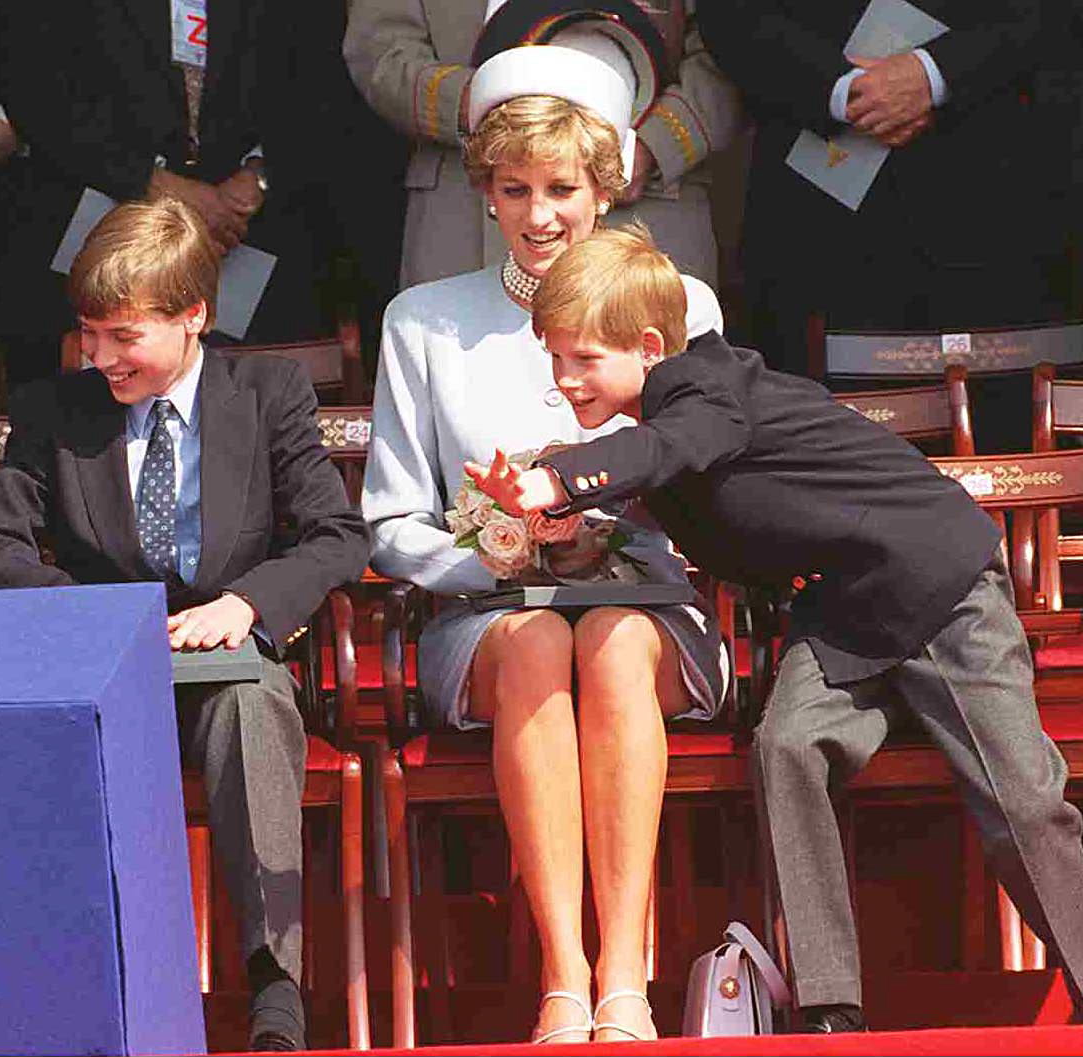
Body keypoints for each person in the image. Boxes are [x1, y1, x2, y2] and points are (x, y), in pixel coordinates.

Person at [470, 226, 1083, 1035]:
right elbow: (657, 483)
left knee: (1018, 793)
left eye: (582, 359)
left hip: (936, 586)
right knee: (787, 746)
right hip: (840, 613)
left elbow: (671, 446)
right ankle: (832, 1007)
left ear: (650, 347)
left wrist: (560, 478)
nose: (563, 380)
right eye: (554, 359)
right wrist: (560, 524)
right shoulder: (658, 426)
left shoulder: (706, 387)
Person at [361, 5, 728, 1043]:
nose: (539, 215)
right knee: (535, 642)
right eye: (512, 190)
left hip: (646, 602)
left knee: (608, 643)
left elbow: (714, 484)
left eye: (562, 189)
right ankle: (563, 977)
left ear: (605, 187)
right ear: (481, 192)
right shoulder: (422, 319)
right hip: (488, 613)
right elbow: (390, 520)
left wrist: (606, 532)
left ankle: (626, 975)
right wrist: (500, 548)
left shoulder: (682, 301)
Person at [0, 199, 370, 1051]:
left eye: (123, 335)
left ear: (193, 318)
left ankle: (273, 988)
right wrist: (98, 615)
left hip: (222, 661)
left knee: (253, 710)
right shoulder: (58, 408)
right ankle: (62, 991)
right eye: (88, 332)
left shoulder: (266, 393)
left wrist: (245, 604)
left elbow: (336, 535)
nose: (101, 356)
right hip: (103, 671)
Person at [698, 0, 1066, 451]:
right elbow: (731, 16)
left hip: (1006, 201)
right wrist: (845, 91)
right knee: (825, 462)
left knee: (1011, 454)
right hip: (823, 207)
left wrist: (937, 75)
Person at [0, 0, 344, 386]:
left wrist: (257, 175)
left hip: (250, 231)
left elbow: (320, 82)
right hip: (93, 213)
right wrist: (154, 184)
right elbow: (35, 89)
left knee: (245, 404)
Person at [343, 0, 742, 289]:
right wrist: (495, 103)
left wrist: (651, 148)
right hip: (465, 205)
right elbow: (382, 53)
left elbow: (731, 53)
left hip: (645, 199)